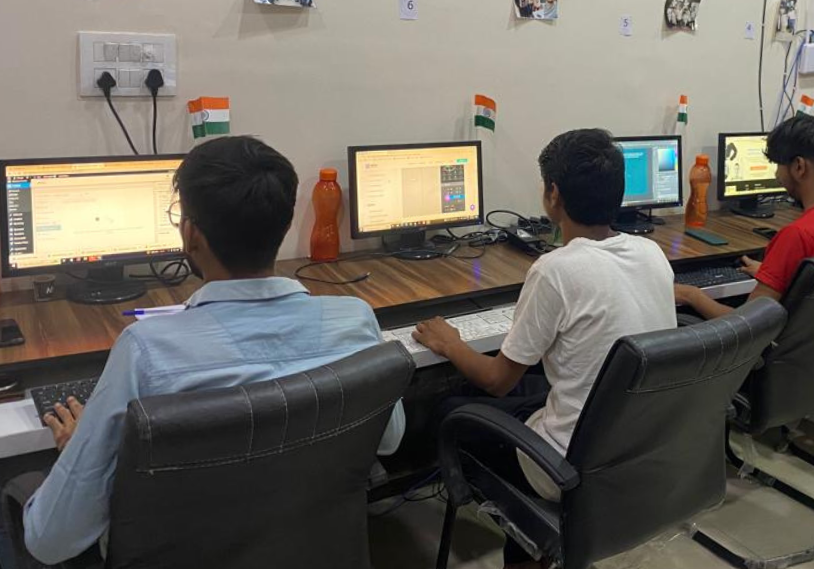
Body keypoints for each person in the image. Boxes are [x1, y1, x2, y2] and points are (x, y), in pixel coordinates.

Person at [14, 136, 405, 566]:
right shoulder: (355, 319)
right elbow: (389, 439)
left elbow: (51, 541)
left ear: (190, 233)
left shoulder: (147, 349)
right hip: (309, 547)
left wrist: (80, 453)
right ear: (287, 222)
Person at [412, 129, 676, 569]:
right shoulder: (651, 253)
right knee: (532, 391)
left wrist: (451, 343)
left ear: (553, 195)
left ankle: (528, 542)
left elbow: (497, 381)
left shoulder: (555, 270)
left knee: (452, 413)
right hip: (641, 449)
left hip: (568, 468)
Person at [675, 114, 814, 319]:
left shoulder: (798, 236)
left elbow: (746, 324)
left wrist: (692, 295)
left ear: (799, 167)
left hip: (779, 340)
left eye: (778, 165)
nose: (776, 175)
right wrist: (773, 273)